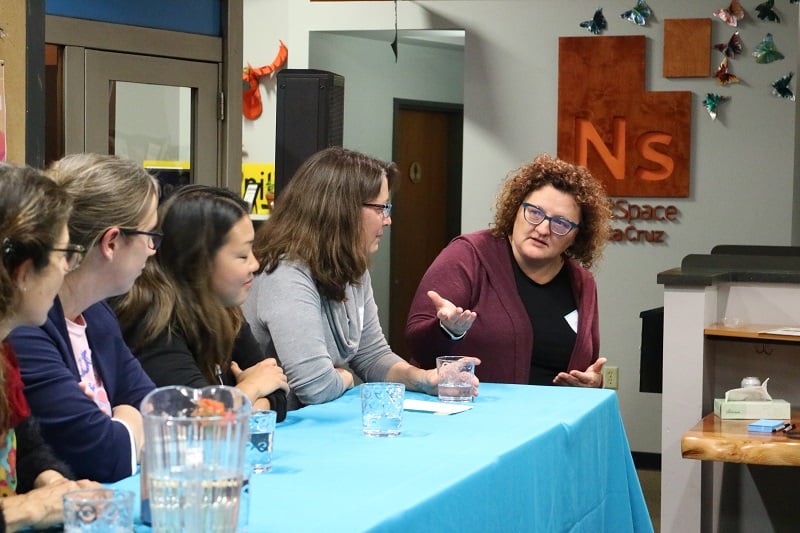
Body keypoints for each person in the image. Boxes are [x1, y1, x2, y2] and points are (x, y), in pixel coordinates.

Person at [243, 147, 478, 410]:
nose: (387, 220)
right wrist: (344, 376)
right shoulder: (285, 272)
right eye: (381, 208)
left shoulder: (351, 266)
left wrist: (425, 379)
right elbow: (316, 388)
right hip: (277, 431)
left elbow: (372, 356)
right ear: (342, 210)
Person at [8, 154, 157, 483]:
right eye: (150, 235)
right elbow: (103, 454)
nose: (152, 248)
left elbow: (157, 411)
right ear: (111, 241)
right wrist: (127, 417)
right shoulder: (23, 330)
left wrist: (119, 421)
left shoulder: (97, 313)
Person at [405, 153, 611, 387]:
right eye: (535, 212)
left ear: (577, 235)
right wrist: (447, 330)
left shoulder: (581, 283)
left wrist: (593, 382)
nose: (543, 229)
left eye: (561, 223)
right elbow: (418, 348)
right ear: (516, 209)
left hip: (553, 419)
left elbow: (588, 362)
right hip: (472, 414)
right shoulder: (468, 255)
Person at [111, 185, 289, 420]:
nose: (255, 265)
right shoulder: (152, 323)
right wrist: (251, 389)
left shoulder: (225, 311)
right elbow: (197, 421)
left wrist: (238, 403)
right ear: (198, 263)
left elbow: (276, 386)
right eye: (243, 255)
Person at [0, 163, 101, 531]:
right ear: (24, 272)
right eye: (64, 255)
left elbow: (25, 449)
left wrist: (55, 483)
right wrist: (33, 509)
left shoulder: (4, 353)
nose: (66, 269)